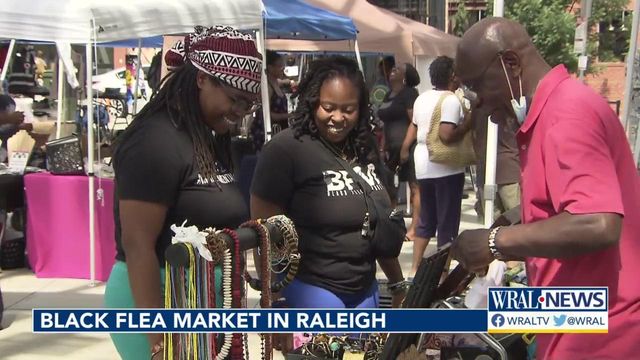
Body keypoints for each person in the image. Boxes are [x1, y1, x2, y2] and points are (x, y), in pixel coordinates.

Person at [453, 17, 640, 359]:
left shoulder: (568, 113)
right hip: (570, 317)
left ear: (510, 64)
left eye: (475, 85)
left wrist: (495, 244)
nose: (476, 101)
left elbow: (598, 222)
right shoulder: (551, 114)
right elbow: (561, 210)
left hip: (600, 336)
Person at [104, 25, 262, 360]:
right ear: (202, 78)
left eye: (248, 104)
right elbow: (138, 245)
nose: (239, 113)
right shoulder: (155, 141)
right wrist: (157, 340)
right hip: (156, 297)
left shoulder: (212, 137)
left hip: (205, 298)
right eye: (235, 99)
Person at [250, 56, 407, 354]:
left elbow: (380, 224)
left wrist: (398, 284)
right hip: (311, 289)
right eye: (329, 107)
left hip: (365, 290)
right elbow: (265, 234)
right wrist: (275, 304)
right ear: (311, 103)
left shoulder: (364, 148)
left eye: (349, 109)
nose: (338, 118)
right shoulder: (285, 151)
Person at [400, 56, 473, 277]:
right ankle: (441, 274)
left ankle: (414, 268)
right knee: (447, 222)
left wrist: (404, 149)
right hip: (446, 166)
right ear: (452, 76)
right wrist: (469, 121)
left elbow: (413, 128)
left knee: (426, 219)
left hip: (423, 164)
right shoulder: (450, 100)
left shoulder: (422, 98)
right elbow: (447, 134)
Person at [377, 62, 421, 241]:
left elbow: (414, 121)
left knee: (414, 187)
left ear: (405, 77)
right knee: (389, 186)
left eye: (397, 69)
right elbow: (387, 122)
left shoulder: (409, 93)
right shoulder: (388, 94)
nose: (392, 70)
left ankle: (415, 228)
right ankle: (392, 223)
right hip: (390, 147)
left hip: (408, 146)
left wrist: (405, 147)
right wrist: (382, 146)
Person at [251, 50, 290, 151]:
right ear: (270, 67)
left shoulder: (277, 83)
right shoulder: (267, 87)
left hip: (279, 131)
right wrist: (289, 115)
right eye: (280, 65)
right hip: (267, 133)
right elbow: (266, 114)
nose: (283, 68)